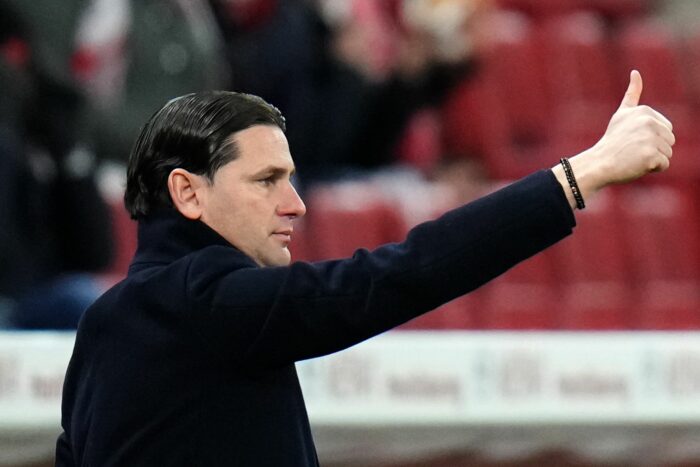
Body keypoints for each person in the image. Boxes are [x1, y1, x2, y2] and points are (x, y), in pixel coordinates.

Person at [56, 70, 674, 466]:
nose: (295, 204)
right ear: (188, 192)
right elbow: (401, 273)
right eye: (267, 180)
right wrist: (581, 175)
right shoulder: (202, 301)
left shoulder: (107, 323)